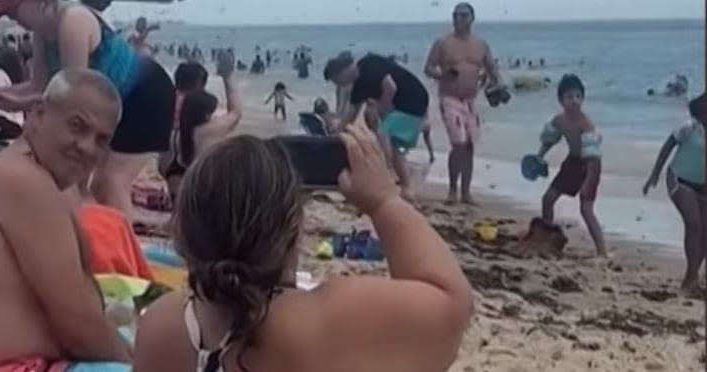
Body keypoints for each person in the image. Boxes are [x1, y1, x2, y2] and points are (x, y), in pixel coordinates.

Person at [133, 126, 473, 372]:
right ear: (293, 229)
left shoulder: (161, 326)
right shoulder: (328, 321)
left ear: (184, 236)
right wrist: (384, 202)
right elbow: (451, 304)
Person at [0, 70, 132, 372]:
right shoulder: (23, 182)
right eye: (77, 126)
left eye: (101, 140)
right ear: (39, 114)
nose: (87, 147)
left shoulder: (40, 178)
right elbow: (78, 326)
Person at [0, 0, 174, 217]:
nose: (15, 20)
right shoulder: (42, 33)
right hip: (111, 102)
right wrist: (2, 94)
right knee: (85, 181)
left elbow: (74, 94)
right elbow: (38, 86)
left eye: (15, 11)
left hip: (145, 95)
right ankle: (92, 234)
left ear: (41, 1)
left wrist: (20, 103)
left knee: (111, 181)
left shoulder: (73, 20)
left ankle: (120, 250)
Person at [424, 2, 506, 205]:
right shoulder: (443, 43)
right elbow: (428, 68)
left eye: (463, 15)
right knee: (458, 143)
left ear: (472, 18)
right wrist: (442, 74)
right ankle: (452, 190)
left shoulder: (481, 44)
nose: (458, 19)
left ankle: (466, 192)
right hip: (449, 97)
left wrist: (499, 84)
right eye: (455, 15)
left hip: (471, 100)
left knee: (469, 146)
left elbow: (491, 68)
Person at [324, 52, 429, 201]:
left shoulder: (368, 65)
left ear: (343, 70)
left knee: (382, 132)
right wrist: (337, 134)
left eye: (337, 81)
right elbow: (352, 113)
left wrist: (382, 108)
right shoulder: (358, 87)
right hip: (400, 106)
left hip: (413, 100)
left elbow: (390, 86)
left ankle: (387, 170)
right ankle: (406, 188)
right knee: (395, 149)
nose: (339, 85)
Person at [534, 74, 607, 257]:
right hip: (572, 163)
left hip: (591, 165)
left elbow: (592, 158)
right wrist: (539, 157)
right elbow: (550, 140)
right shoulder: (559, 121)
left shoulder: (586, 124)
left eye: (578, 96)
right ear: (561, 100)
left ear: (582, 98)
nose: (574, 101)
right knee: (548, 199)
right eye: (569, 97)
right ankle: (547, 239)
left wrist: (589, 183)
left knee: (586, 209)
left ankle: (602, 252)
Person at [643, 93, 706, 291]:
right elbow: (667, 146)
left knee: (704, 232)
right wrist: (654, 175)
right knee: (693, 223)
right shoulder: (689, 126)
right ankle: (693, 277)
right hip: (679, 179)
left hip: (703, 186)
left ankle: (691, 277)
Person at [162, 49, 240, 197]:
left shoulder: (165, 116)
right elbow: (235, 114)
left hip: (172, 174)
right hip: (200, 191)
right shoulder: (205, 132)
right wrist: (227, 77)